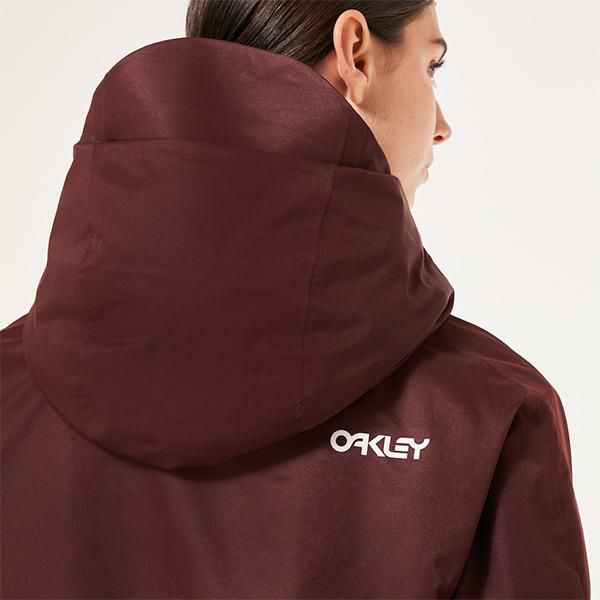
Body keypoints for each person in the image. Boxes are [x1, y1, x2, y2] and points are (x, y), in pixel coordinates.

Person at [0, 1, 590, 597]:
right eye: (430, 66)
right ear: (355, 52)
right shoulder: (487, 416)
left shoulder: (9, 389)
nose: (441, 125)